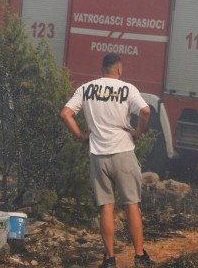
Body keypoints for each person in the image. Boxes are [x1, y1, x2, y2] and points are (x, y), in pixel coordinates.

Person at [59, 54, 153, 268]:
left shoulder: (86, 89)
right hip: (123, 152)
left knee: (106, 207)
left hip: (98, 155)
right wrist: (138, 132)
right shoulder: (128, 89)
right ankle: (139, 257)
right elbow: (146, 111)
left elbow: (65, 114)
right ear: (119, 70)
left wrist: (81, 136)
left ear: (102, 69)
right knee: (131, 205)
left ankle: (110, 259)